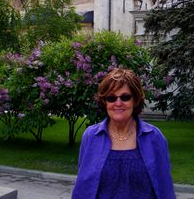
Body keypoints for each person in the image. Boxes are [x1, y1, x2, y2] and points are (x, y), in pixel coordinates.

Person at [72, 68, 176, 199]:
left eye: (125, 97)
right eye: (111, 98)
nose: (118, 103)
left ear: (135, 100)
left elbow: (164, 188)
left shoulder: (154, 137)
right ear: (105, 102)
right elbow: (83, 187)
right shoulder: (91, 136)